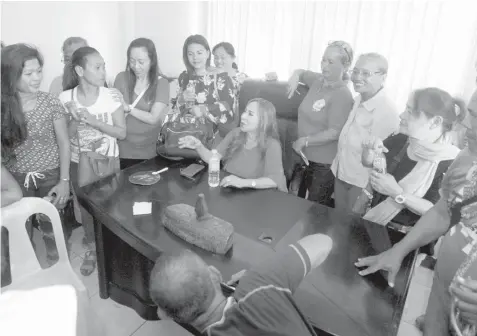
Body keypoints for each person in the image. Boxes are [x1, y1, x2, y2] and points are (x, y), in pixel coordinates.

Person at [355, 105, 477, 336]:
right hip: (444, 289)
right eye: (471, 113)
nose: (468, 124)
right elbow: (443, 212)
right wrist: (398, 250)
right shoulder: (467, 156)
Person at [149, 233, 332, 335]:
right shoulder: (259, 284)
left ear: (165, 315)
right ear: (215, 274)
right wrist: (269, 275)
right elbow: (323, 242)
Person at [1, 43, 71, 264]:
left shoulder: (50, 102)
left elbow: (64, 143)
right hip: (15, 180)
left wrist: (64, 181)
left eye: (39, 71)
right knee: (20, 229)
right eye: (29, 73)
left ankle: (58, 263)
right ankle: (25, 269)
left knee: (51, 224)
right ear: (11, 76)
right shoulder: (4, 107)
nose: (37, 78)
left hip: (50, 175)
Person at [59, 46, 126, 276]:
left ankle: (114, 248)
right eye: (97, 67)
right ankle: (93, 248)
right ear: (79, 69)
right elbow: (65, 137)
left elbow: (121, 133)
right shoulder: (65, 98)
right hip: (79, 163)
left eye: (104, 66)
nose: (103, 71)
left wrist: (94, 121)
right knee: (87, 210)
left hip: (108, 160)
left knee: (111, 206)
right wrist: (76, 121)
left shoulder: (111, 96)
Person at [356, 87, 463, 230]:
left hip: (405, 236)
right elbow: (372, 164)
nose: (401, 115)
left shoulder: (451, 162)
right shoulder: (401, 139)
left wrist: (397, 193)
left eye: (410, 112)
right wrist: (369, 151)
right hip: (372, 221)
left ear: (435, 122)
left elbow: (437, 211)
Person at [287, 41, 355, 206]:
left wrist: (305, 140)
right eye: (323, 60)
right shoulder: (318, 80)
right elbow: (301, 72)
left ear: (345, 66)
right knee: (296, 205)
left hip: (323, 164)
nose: (324, 65)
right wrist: (295, 76)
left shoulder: (342, 95)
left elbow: (335, 131)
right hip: (303, 156)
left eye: (330, 62)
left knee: (314, 210)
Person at [331, 52, 400, 214]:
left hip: (361, 183)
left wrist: (367, 193)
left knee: (350, 227)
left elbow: (381, 158)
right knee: (338, 221)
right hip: (343, 174)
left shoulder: (386, 111)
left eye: (366, 73)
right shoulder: (359, 98)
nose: (357, 77)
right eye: (355, 71)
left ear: (383, 77)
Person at [178, 98, 287, 192]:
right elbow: (213, 158)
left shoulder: (272, 145)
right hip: (230, 190)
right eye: (245, 111)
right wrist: (198, 146)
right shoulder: (236, 133)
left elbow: (274, 180)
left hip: (255, 197)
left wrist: (243, 183)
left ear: (264, 121)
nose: (243, 116)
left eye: (250, 114)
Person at [111, 38, 170, 170]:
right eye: (132, 61)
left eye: (141, 62)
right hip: (122, 150)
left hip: (149, 152)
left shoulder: (162, 83)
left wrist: (128, 108)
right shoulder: (121, 78)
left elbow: (153, 118)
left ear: (152, 60)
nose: (136, 66)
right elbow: (114, 112)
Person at [176, 35, 236, 140]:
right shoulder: (184, 77)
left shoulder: (220, 77)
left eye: (199, 53)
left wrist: (203, 109)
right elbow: (175, 108)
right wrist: (181, 99)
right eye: (190, 54)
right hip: (187, 132)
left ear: (207, 54)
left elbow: (228, 105)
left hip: (214, 137)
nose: (195, 58)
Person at [212, 41, 247, 134]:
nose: (219, 61)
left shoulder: (242, 78)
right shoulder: (211, 77)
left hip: (234, 121)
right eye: (216, 58)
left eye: (223, 57)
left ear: (233, 58)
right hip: (213, 118)